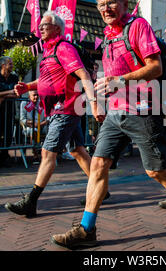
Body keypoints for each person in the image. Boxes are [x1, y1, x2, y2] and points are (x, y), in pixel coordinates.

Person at [52, 0, 166, 249]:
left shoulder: (138, 26)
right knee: (98, 165)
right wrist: (99, 102)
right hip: (116, 113)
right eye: (101, 5)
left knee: (156, 171)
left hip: (144, 111)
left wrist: (120, 81)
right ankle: (87, 229)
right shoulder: (108, 34)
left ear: (124, 4)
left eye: (111, 3)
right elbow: (109, 77)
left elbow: (156, 67)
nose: (106, 9)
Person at [5, 11, 101, 218]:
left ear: (57, 28)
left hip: (65, 108)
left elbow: (83, 74)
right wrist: (27, 86)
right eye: (39, 26)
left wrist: (94, 103)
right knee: (77, 151)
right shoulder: (48, 52)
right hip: (62, 109)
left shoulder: (63, 48)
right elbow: (47, 79)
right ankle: (102, 188)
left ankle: (30, 201)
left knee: (48, 154)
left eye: (44, 25)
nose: (40, 28)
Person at [0, 56, 19, 167]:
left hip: (10, 110)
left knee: (8, 134)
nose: (12, 65)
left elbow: (16, 94)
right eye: (10, 64)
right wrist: (8, 92)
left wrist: (3, 96)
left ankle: (5, 155)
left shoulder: (14, 77)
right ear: (3, 65)